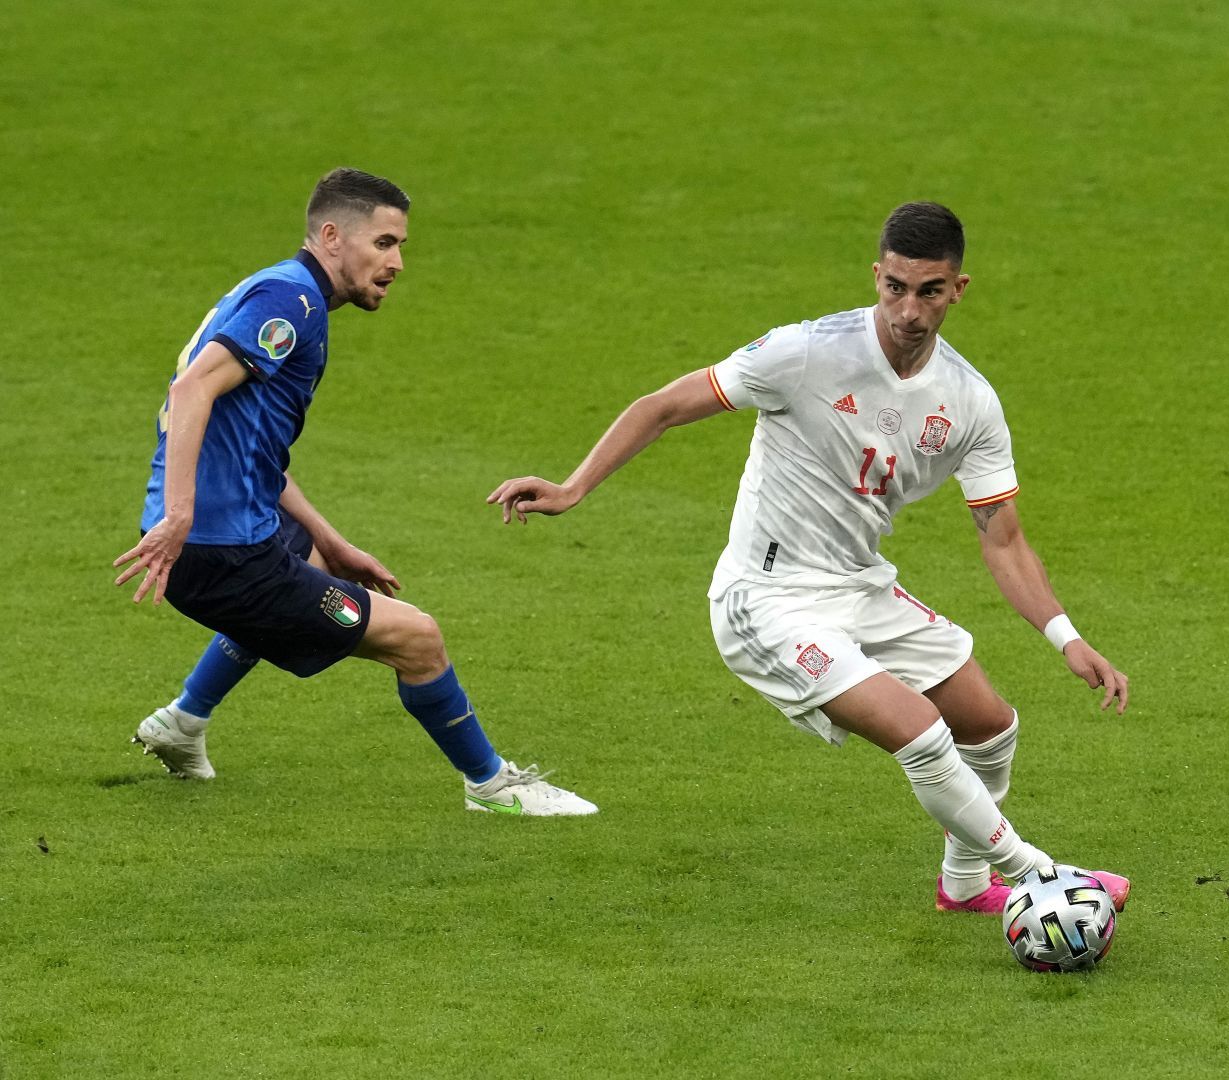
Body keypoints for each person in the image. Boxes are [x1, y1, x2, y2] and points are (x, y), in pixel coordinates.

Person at [487, 202, 1129, 908]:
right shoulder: (805, 353)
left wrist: (1066, 638)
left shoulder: (970, 402)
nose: (909, 311)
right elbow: (664, 405)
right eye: (896, 288)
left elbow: (1001, 536)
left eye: (930, 292)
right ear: (876, 276)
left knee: (989, 726)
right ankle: (1039, 876)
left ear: (959, 289)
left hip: (858, 586)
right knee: (920, 732)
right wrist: (574, 487)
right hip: (765, 601)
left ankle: (964, 884)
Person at [114, 167, 595, 816]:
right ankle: (491, 786)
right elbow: (190, 391)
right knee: (417, 639)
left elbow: (250, 449)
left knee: (312, 562)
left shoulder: (274, 288)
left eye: (401, 246)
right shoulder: (294, 305)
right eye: (385, 243)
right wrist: (178, 516)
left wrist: (331, 541)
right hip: (224, 557)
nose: (397, 262)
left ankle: (183, 721)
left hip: (225, 540)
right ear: (333, 236)